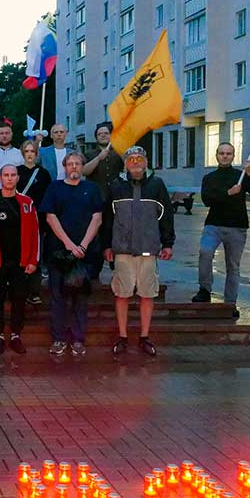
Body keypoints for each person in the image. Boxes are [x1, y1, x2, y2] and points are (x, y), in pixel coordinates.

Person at [102, 145, 174, 358]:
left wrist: (168, 243)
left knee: (147, 294)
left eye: (139, 158)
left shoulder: (157, 185)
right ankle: (123, 336)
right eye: (131, 159)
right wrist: (107, 245)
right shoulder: (116, 186)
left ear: (146, 162)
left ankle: (144, 336)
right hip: (122, 251)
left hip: (147, 250)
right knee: (122, 294)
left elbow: (166, 216)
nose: (135, 162)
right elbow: (108, 219)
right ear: (125, 164)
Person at [40, 152, 103, 357]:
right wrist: (69, 245)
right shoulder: (55, 188)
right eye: (70, 164)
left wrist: (82, 246)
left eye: (77, 164)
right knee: (58, 297)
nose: (74, 167)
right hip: (59, 253)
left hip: (85, 254)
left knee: (80, 298)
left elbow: (97, 218)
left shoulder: (92, 189)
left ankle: (77, 339)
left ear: (82, 167)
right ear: (64, 167)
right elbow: (51, 217)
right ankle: (59, 338)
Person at [194, 141, 250, 315]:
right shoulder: (209, 178)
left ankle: (230, 304)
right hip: (213, 225)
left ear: (233, 156)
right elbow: (207, 200)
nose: (225, 156)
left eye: (229, 153)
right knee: (205, 252)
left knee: (233, 266)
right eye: (222, 153)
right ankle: (204, 290)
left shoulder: (241, 176)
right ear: (216, 155)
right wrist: (228, 194)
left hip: (237, 227)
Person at [0, 165, 40, 354]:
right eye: (5, 175)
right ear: (0, 178)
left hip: (20, 261)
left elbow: (35, 234)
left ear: (17, 178)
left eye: (12, 175)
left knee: (19, 299)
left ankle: (16, 335)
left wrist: (33, 260)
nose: (9, 178)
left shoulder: (27, 202)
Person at [18, 140, 53, 304]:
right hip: (19, 219)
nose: (30, 154)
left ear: (36, 153)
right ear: (22, 153)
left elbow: (48, 197)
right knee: (20, 255)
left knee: (36, 255)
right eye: (27, 151)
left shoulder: (44, 174)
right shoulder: (16, 172)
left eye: (32, 151)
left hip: (38, 219)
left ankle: (34, 291)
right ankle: (20, 290)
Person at [83, 124, 123, 202]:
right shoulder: (89, 154)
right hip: (95, 195)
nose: (103, 135)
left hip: (116, 195)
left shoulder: (118, 153)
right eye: (100, 134)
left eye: (106, 133)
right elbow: (84, 171)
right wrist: (98, 158)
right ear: (96, 138)